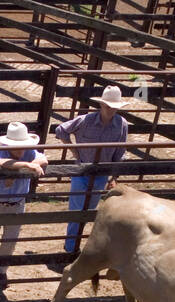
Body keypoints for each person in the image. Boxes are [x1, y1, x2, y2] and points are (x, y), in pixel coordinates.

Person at [52, 84, 130, 254]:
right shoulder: (85, 120)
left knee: (89, 211)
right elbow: (60, 130)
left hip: (101, 174)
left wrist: (114, 177)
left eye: (114, 108)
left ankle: (74, 247)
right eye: (108, 106)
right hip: (82, 170)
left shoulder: (122, 124)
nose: (111, 110)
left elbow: (120, 152)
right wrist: (73, 150)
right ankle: (71, 249)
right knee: (77, 210)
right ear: (101, 105)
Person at [0, 121, 47, 285]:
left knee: (10, 238)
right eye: (16, 146)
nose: (20, 150)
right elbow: (0, 162)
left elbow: (43, 159)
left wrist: (18, 171)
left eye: (22, 146)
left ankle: (1, 271)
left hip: (15, 203)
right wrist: (26, 166)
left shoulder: (30, 152)